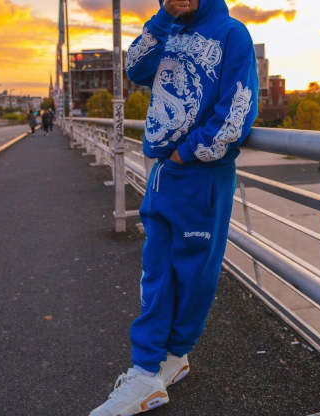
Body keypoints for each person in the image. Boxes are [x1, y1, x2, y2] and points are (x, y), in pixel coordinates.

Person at [89, 0, 259, 414]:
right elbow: (134, 67)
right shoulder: (170, 30)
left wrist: (188, 153)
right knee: (155, 271)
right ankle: (148, 369)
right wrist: (164, 16)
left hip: (201, 177)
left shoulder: (232, 34)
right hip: (164, 176)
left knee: (193, 276)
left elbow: (238, 110)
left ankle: (173, 355)